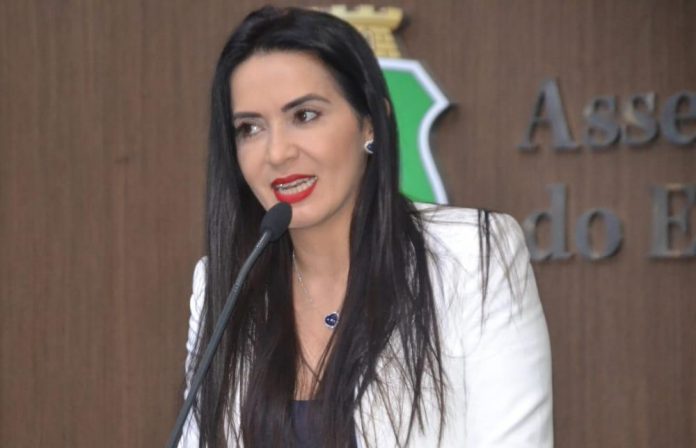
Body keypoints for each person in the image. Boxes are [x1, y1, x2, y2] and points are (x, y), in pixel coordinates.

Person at [178, 6, 552, 447]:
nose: (277, 153)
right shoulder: (224, 284)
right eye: (250, 128)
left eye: (305, 116)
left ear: (369, 123)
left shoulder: (475, 256)